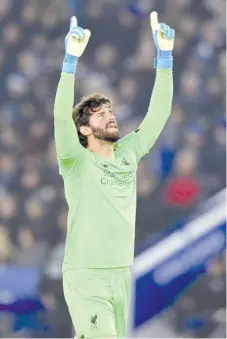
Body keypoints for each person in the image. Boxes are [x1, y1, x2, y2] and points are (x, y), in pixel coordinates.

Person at [53, 12, 175, 339]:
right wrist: (70, 62)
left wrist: (164, 57)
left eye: (111, 111)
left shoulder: (128, 153)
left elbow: (159, 113)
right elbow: (60, 120)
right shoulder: (75, 159)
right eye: (101, 114)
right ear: (84, 128)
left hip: (122, 275)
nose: (111, 117)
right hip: (86, 275)